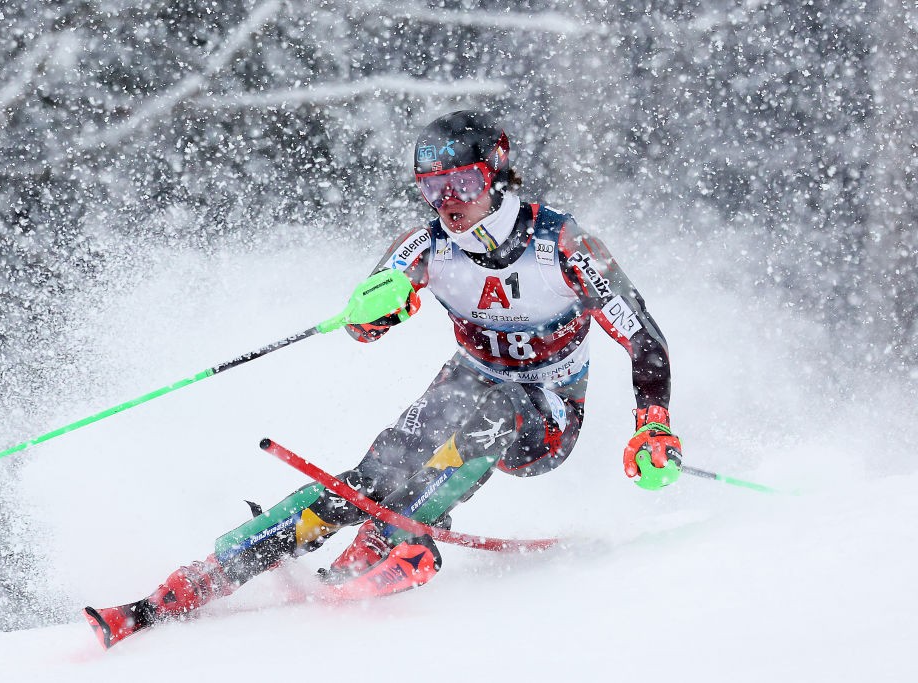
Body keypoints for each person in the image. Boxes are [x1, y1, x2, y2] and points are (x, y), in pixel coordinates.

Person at [84, 110, 683, 649]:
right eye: (433, 189)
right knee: (368, 480)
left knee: (490, 414)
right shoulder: (423, 247)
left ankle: (410, 536)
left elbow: (642, 336)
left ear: (498, 176)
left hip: (545, 411)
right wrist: (376, 313)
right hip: (467, 382)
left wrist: (652, 426)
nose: (449, 202)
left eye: (464, 184)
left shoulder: (563, 245)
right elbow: (362, 323)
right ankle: (193, 583)